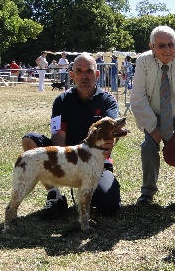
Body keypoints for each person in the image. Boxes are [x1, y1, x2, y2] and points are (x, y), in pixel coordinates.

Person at [21, 53, 121, 219]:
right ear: (72, 75)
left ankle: (90, 188)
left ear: (96, 75)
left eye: (89, 71)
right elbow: (58, 134)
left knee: (109, 206)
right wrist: (67, 164)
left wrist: (112, 141)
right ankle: (55, 195)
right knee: (30, 140)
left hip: (96, 161)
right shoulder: (61, 100)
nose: (84, 76)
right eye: (79, 71)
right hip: (67, 157)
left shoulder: (107, 100)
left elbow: (113, 130)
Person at [131, 25, 175, 205]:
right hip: (152, 114)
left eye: (171, 44)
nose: (168, 50)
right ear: (151, 47)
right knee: (148, 145)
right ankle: (147, 192)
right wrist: (152, 127)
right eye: (161, 46)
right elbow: (137, 97)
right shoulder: (142, 61)